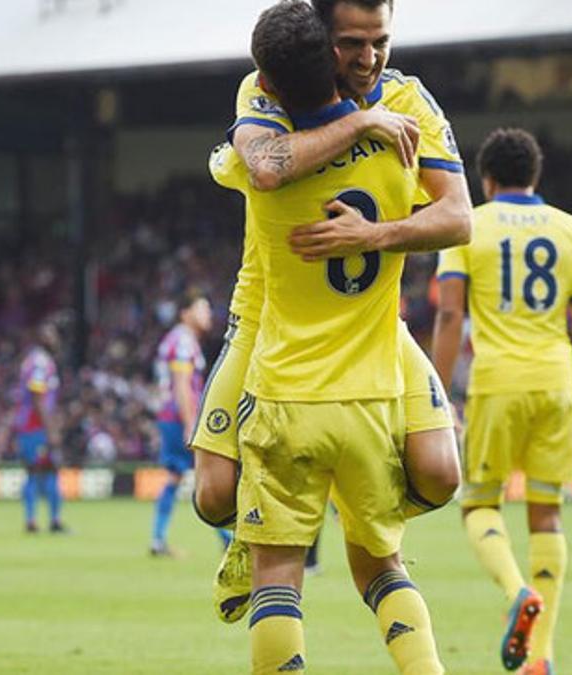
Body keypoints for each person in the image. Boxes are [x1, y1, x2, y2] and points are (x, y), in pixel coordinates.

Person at [192, 0, 469, 627]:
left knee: (439, 475)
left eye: (381, 41)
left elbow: (458, 217)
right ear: (323, 35)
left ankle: (335, 509)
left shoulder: (411, 100)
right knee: (213, 497)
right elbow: (264, 165)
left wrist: (373, 236)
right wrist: (362, 123)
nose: (369, 58)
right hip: (268, 318)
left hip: (369, 321)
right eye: (352, 43)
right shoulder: (269, 89)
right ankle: (255, 532)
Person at [432, 128, 572, 674]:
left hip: (497, 381)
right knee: (547, 518)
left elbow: (449, 316)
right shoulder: (571, 230)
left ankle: (516, 591)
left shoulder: (469, 226)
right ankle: (542, 657)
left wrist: (435, 396)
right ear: (535, 177)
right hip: (556, 384)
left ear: (486, 181)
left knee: (480, 505)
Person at [149, 290, 225, 556]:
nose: (207, 314)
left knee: (176, 475)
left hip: (169, 416)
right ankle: (228, 538)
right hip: (179, 416)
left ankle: (158, 539)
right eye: (202, 308)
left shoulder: (178, 339)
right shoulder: (183, 341)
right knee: (211, 473)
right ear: (185, 313)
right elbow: (182, 385)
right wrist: (190, 422)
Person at [15, 323, 66, 534]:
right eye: (50, 335)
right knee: (43, 470)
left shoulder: (33, 360)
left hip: (29, 426)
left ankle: (37, 519)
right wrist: (51, 429)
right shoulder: (40, 363)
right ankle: (47, 520)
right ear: (42, 339)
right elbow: (38, 399)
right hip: (35, 427)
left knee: (36, 472)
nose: (55, 340)